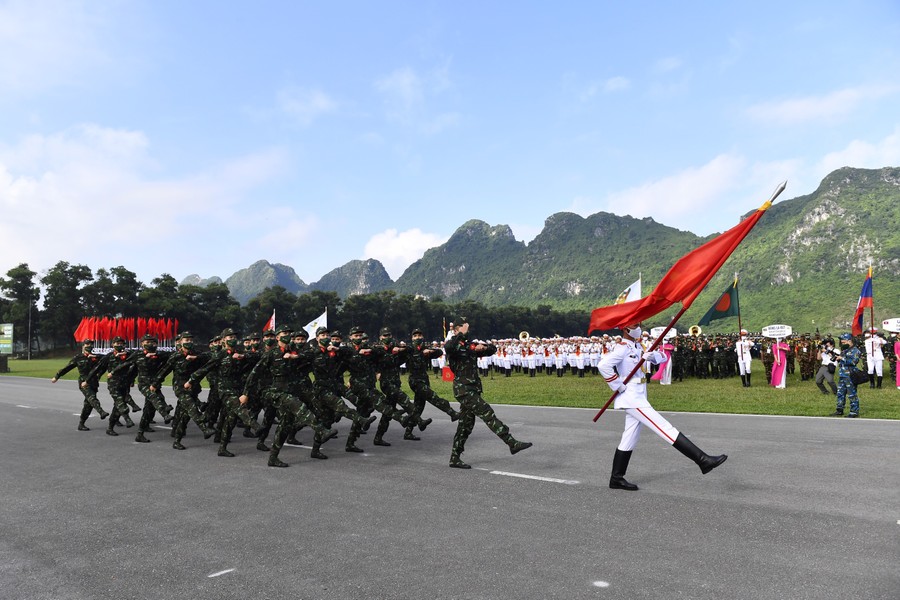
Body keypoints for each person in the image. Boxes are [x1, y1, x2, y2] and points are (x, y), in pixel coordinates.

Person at [599, 322, 727, 491]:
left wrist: (653, 356)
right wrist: (618, 385)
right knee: (665, 427)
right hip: (630, 396)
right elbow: (603, 365)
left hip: (640, 393)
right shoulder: (622, 348)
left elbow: (663, 357)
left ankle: (616, 478)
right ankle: (702, 460)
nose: (639, 328)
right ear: (625, 329)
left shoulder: (637, 346)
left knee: (629, 437)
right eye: (635, 325)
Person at [444, 317, 532, 469]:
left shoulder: (468, 346)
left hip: (472, 388)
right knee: (487, 412)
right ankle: (511, 442)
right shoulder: (453, 344)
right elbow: (449, 347)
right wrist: (461, 335)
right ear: (457, 329)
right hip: (463, 389)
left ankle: (454, 458)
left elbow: (492, 350)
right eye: (463, 327)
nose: (467, 329)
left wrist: (483, 348)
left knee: (465, 426)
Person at [51, 339, 110, 430]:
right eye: (87, 344)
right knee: (91, 397)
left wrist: (95, 356)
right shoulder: (78, 357)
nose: (89, 346)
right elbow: (67, 367)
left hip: (94, 382)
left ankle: (81, 424)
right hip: (83, 383)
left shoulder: (96, 357)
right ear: (83, 346)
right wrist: (57, 376)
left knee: (88, 405)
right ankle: (101, 411)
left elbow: (106, 358)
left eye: (91, 344)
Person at [831, 333, 862, 418]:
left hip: (850, 375)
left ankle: (854, 411)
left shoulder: (855, 350)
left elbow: (853, 362)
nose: (842, 344)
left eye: (844, 342)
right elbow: (841, 362)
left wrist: (842, 358)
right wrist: (837, 358)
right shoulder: (844, 350)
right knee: (840, 393)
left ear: (849, 341)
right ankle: (839, 409)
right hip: (842, 374)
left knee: (852, 394)